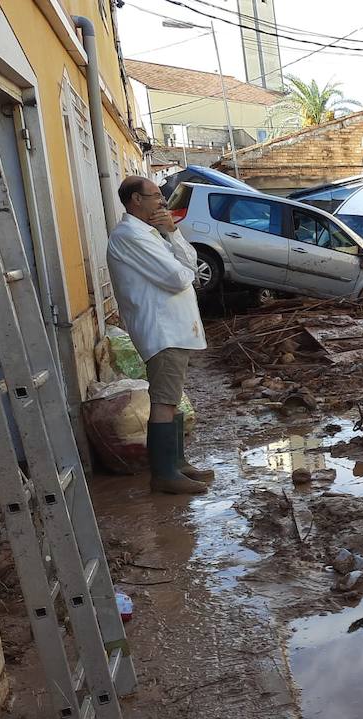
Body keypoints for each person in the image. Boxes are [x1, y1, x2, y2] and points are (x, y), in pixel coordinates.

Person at [107, 176, 213, 494]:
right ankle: (164, 473)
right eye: (155, 196)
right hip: (161, 329)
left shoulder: (151, 233)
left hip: (175, 328)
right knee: (164, 401)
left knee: (172, 397)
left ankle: (176, 463)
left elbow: (189, 263)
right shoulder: (129, 236)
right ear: (135, 200)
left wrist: (173, 232)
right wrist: (183, 266)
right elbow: (178, 277)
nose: (162, 203)